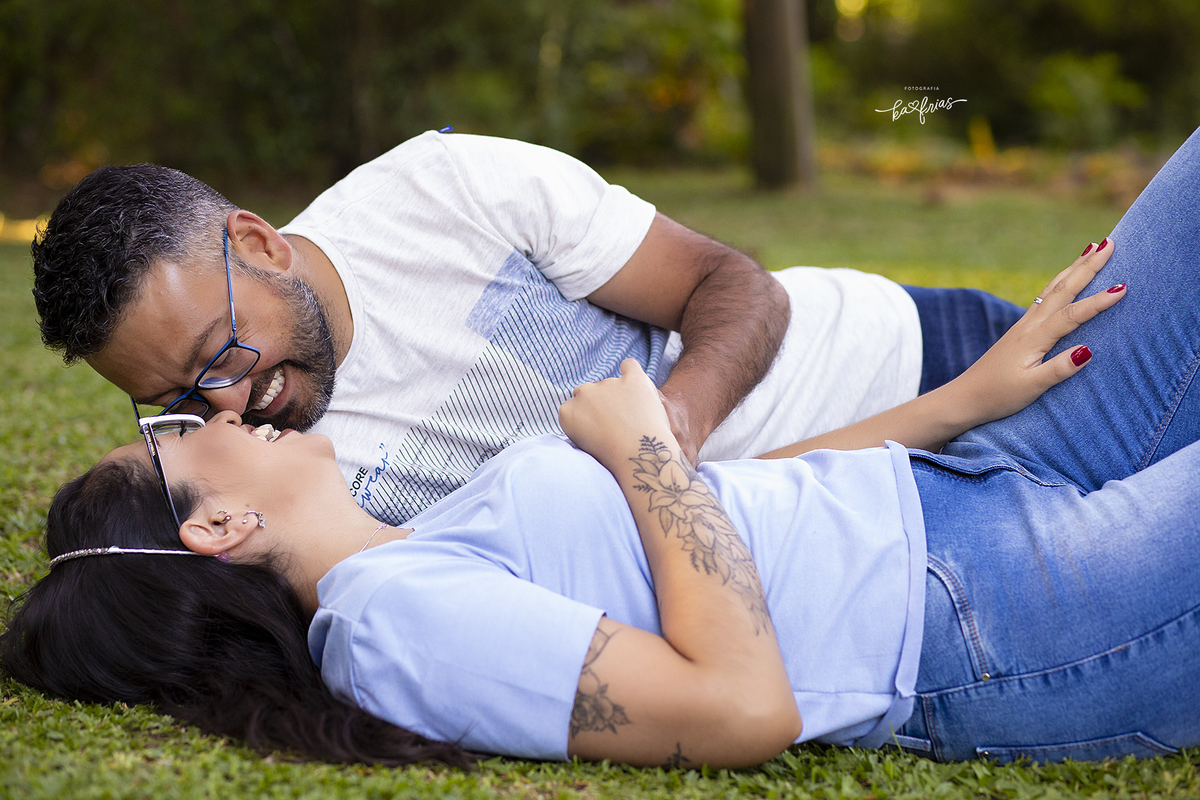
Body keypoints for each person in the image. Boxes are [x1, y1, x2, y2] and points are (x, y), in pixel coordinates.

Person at [7, 113, 1200, 767]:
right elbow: (741, 703)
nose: (226, 406)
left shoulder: (399, 549)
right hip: (970, 603)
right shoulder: (388, 623)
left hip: (944, 456)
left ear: (258, 245)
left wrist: (958, 405)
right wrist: (645, 456)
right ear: (217, 523)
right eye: (171, 418)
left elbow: (723, 484)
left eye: (209, 370)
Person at [30, 131, 1023, 524]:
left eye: (222, 354)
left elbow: (735, 286)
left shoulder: (445, 191)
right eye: (177, 399)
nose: (233, 405)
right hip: (878, 526)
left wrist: (669, 434)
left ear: (259, 242)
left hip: (910, 358)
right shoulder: (263, 472)